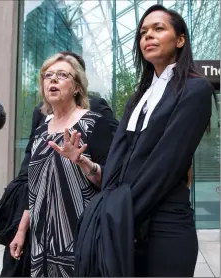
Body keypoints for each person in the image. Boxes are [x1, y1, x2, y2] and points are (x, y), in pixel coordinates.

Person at [60, 4, 214, 277]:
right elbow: (122, 166)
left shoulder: (195, 89)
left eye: (158, 29)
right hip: (128, 225)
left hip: (163, 228)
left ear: (180, 40)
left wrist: (114, 215)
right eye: (143, 32)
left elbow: (165, 166)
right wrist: (91, 168)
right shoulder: (138, 97)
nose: (148, 36)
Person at [0, 52, 118, 277]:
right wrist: (22, 230)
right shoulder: (42, 128)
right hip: (40, 240)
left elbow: (111, 181)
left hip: (80, 236)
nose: (52, 80)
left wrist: (82, 161)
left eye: (62, 75)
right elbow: (34, 187)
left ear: (76, 87)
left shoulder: (94, 124)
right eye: (48, 75)